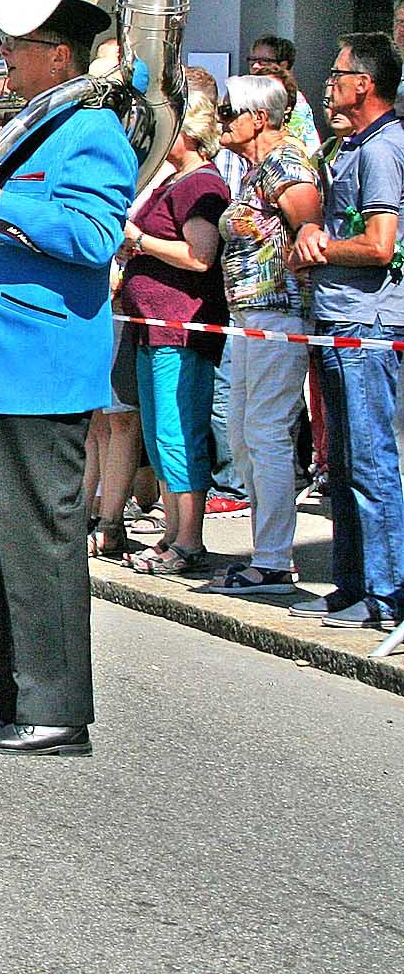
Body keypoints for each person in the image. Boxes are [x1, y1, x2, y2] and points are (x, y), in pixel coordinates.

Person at [0, 0, 135, 757]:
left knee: (43, 546)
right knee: (14, 547)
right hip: (4, 364)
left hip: (41, 363)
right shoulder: (29, 129)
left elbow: (93, 235)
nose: (7, 56)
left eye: (22, 45)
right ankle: (28, 696)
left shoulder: (92, 129)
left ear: (62, 56)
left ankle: (57, 709)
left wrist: (1, 199)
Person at [290, 32, 404, 630]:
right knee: (347, 465)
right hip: (339, 322)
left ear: (365, 83)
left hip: (367, 327)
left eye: (336, 76)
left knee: (371, 463)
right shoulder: (353, 147)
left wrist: (321, 245)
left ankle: (386, 597)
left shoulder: (384, 149)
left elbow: (382, 244)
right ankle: (351, 585)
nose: (328, 86)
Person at [203, 73, 321, 595]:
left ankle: (274, 560)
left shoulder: (286, 162)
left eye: (230, 112)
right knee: (243, 433)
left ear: (258, 118)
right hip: (248, 314)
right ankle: (265, 552)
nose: (223, 120)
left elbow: (311, 230)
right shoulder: (256, 170)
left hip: (279, 313)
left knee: (267, 431)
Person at [116, 79, 230, 577]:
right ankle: (171, 533)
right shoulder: (171, 180)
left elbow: (200, 256)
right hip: (151, 326)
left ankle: (190, 539)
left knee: (179, 432)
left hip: (180, 329)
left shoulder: (201, 184)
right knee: (161, 435)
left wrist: (138, 240)